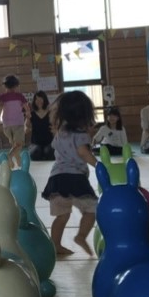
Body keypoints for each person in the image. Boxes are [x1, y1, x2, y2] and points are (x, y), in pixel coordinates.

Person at [41, 90, 99, 257]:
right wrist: (98, 165)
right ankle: (81, 236)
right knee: (92, 209)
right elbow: (83, 152)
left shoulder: (60, 132)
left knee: (62, 216)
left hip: (56, 179)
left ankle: (55, 245)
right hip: (75, 178)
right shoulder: (81, 134)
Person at [0, 74, 30, 169]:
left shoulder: (2, 96)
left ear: (5, 85)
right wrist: (28, 114)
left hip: (7, 125)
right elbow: (26, 107)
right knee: (19, 144)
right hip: (18, 123)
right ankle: (9, 156)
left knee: (15, 144)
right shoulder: (19, 96)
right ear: (16, 85)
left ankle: (18, 160)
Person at [25, 90, 54, 161]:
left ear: (45, 100)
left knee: (49, 153)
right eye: (36, 99)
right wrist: (28, 118)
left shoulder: (50, 113)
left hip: (49, 143)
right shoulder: (31, 114)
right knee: (35, 153)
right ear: (34, 101)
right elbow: (26, 128)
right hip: (35, 143)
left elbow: (55, 125)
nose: (39, 101)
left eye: (41, 99)